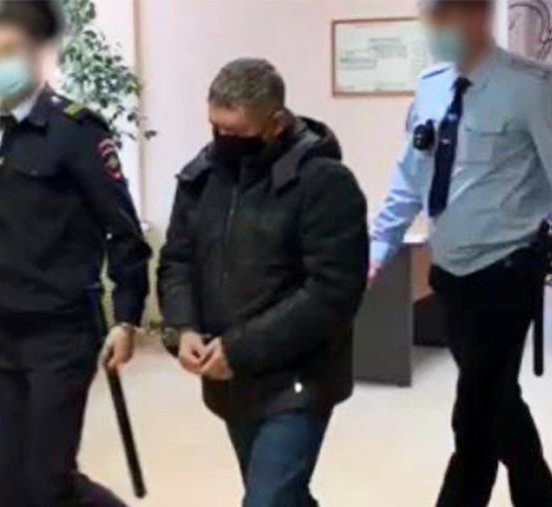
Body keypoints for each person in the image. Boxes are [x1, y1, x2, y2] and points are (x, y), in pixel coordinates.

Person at [371, 1, 552, 506]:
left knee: (475, 407)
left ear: (477, 16)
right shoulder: (431, 86)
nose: (435, 28)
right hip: (451, 271)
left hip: (506, 270)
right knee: (496, 402)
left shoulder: (532, 87)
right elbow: (410, 175)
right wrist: (381, 242)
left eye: (445, 16)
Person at [0, 1, 151, 506]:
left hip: (63, 332)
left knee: (48, 481)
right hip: (9, 331)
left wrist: (126, 318)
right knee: (6, 486)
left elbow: (124, 234)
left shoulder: (76, 132)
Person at [158, 58, 368, 507]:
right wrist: (183, 327)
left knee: (267, 499)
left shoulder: (324, 182)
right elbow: (177, 260)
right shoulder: (202, 177)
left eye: (237, 132)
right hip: (230, 378)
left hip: (299, 376)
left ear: (275, 123)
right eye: (216, 128)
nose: (223, 141)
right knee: (281, 496)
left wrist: (240, 349)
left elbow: (332, 293)